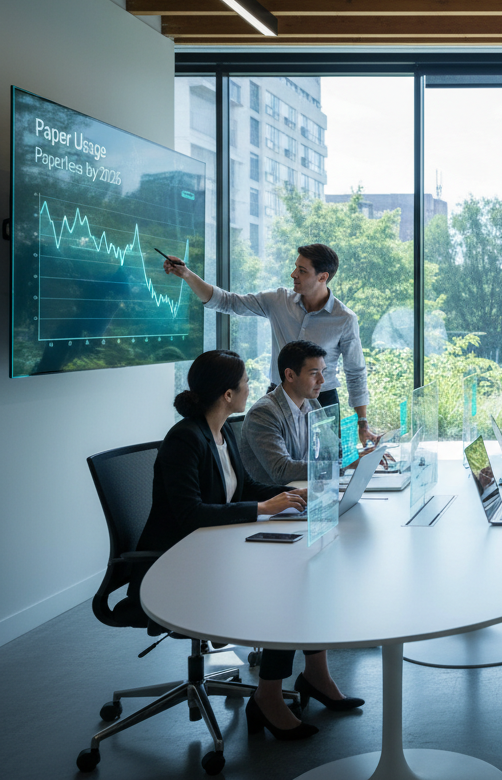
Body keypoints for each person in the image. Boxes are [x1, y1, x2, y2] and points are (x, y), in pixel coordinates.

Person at [134, 350, 363, 741]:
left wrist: (289, 495)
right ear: (227, 394)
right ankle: (268, 697)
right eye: (244, 384)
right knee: (288, 590)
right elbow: (191, 514)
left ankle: (316, 676)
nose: (249, 389)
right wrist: (262, 508)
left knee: (310, 576)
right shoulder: (185, 439)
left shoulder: (223, 431)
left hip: (218, 548)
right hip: (180, 563)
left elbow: (244, 487)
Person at [160, 243, 378, 444]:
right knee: (274, 462)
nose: (294, 274)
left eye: (302, 270)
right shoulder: (278, 300)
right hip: (279, 395)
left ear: (323, 277)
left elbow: (355, 372)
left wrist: (363, 422)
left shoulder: (344, 319)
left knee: (327, 463)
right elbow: (227, 301)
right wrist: (186, 274)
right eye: (296, 267)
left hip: (322, 400)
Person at [240, 339, 328, 484]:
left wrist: (357, 456)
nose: (322, 380)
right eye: (314, 374)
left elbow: (330, 446)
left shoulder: (312, 402)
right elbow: (281, 469)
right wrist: (335, 466)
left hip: (305, 489)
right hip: (276, 496)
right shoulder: (263, 413)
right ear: (290, 375)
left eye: (322, 372)